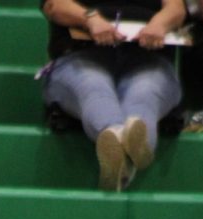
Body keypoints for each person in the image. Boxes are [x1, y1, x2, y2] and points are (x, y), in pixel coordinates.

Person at [39, 0, 186, 189]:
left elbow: (176, 10)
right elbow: (55, 6)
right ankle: (119, 140)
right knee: (93, 87)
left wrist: (160, 23)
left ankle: (122, 150)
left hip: (148, 58)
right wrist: (90, 19)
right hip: (81, 56)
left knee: (145, 93)